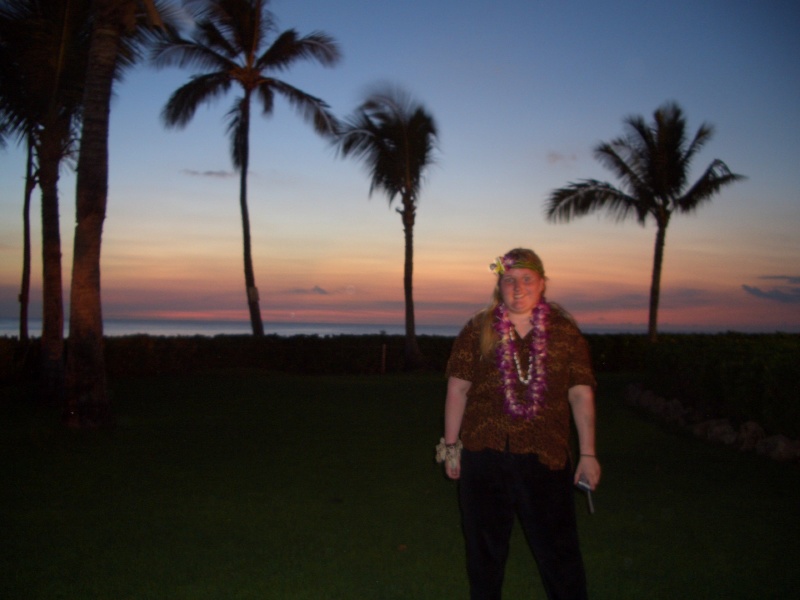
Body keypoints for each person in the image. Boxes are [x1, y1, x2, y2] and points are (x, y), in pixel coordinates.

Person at [436, 248, 600, 600]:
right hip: (484, 454)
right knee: (484, 555)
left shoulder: (565, 333)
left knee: (559, 554)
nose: (518, 287)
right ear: (500, 285)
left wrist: (588, 454)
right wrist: (451, 447)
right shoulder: (478, 329)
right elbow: (458, 389)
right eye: (509, 280)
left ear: (542, 283)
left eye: (527, 279)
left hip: (545, 456)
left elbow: (580, 394)